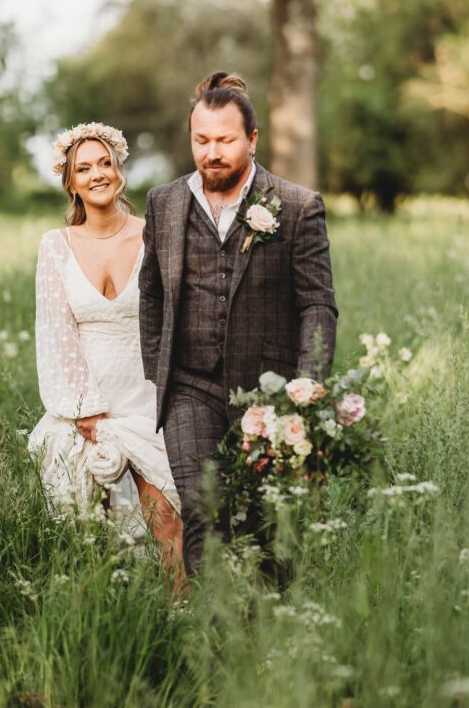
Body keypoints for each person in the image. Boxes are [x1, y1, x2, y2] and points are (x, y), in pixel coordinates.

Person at [138, 72, 338, 575]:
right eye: (201, 140)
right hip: (190, 387)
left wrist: (307, 383)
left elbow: (317, 303)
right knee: (203, 510)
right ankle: (213, 641)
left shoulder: (296, 207)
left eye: (225, 140)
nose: (211, 152)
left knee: (262, 525)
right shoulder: (164, 203)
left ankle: (268, 638)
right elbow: (151, 291)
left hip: (266, 394)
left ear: (252, 140)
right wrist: (157, 367)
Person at [28, 121, 184, 587]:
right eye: (83, 168)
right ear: (70, 182)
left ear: (119, 170)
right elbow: (56, 333)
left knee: (168, 515)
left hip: (148, 399)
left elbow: (178, 316)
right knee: (89, 526)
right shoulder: (55, 246)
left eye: (104, 163)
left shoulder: (154, 234)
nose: (97, 174)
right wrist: (85, 412)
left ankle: (183, 620)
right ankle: (107, 620)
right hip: (84, 404)